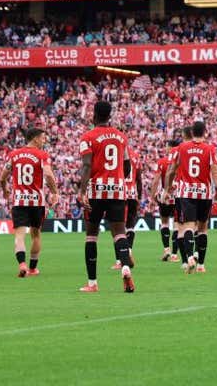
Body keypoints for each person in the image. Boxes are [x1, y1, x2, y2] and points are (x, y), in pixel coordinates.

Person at [77, 101, 136, 293]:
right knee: (119, 232)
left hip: (96, 191)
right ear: (110, 115)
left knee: (91, 235)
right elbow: (127, 166)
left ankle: (92, 283)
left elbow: (86, 165)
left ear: (94, 115)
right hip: (117, 190)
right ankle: (125, 268)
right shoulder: (121, 137)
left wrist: (82, 190)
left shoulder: (88, 137)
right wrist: (118, 177)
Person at [167, 121, 217, 274]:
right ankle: (201, 265)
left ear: (191, 133)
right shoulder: (210, 149)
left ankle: (190, 256)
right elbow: (215, 172)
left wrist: (167, 189)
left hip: (186, 193)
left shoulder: (182, 148)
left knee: (188, 226)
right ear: (205, 132)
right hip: (204, 193)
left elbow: (172, 170)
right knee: (203, 228)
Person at [4, 128, 56, 278]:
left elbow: (2, 177)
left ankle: (22, 264)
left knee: (19, 236)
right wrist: (55, 192)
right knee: (36, 235)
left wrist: (4, 189)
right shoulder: (42, 155)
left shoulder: (13, 155)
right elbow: (48, 174)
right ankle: (33, 269)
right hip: (36, 201)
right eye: (43, 138)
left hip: (19, 201)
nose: (44, 141)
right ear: (35, 139)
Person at [112, 150, 143, 270]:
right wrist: (139, 196)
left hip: (121, 193)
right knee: (130, 226)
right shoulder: (135, 156)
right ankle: (129, 250)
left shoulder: (117, 153)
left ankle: (120, 261)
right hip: (133, 194)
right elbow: (139, 179)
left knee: (118, 228)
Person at [156, 140, 181, 262]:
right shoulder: (182, 161)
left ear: (170, 148)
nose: (166, 149)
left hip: (164, 195)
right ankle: (175, 255)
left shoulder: (162, 162)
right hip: (178, 195)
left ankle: (166, 250)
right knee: (177, 225)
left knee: (164, 223)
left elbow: (156, 180)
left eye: (166, 147)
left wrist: (153, 195)